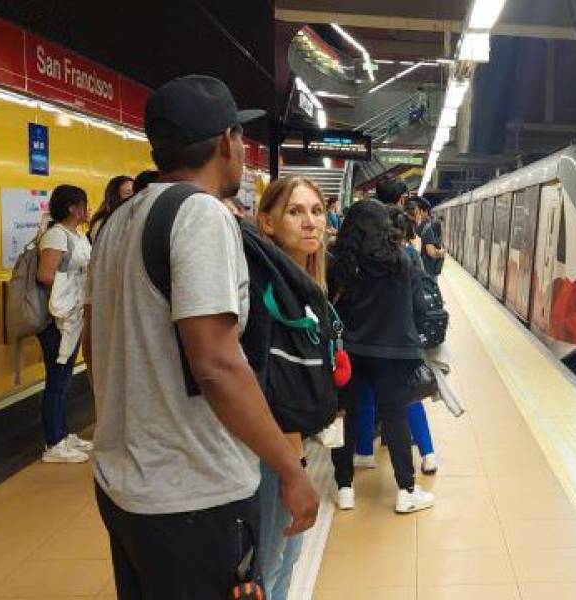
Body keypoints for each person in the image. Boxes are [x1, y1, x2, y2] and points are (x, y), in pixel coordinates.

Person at [85, 75, 318, 597]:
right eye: (241, 137)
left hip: (127, 489)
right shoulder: (200, 215)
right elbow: (216, 362)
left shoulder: (119, 222)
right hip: (194, 495)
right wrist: (290, 469)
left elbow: (93, 347)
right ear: (225, 142)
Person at [249, 176, 337, 599]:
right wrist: (290, 468)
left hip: (292, 453)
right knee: (268, 563)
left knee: (287, 558)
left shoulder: (310, 290)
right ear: (267, 222)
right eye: (295, 211)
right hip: (271, 455)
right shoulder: (266, 294)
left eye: (317, 211)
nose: (310, 222)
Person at [329, 199, 435, 514]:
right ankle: (406, 491)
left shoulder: (340, 264)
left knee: (345, 417)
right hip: (393, 352)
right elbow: (419, 307)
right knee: (395, 417)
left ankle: (344, 489)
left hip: (350, 351)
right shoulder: (403, 261)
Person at [35, 184, 94, 463]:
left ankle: (63, 433)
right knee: (57, 381)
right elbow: (46, 274)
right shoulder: (56, 236)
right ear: (72, 207)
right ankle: (53, 442)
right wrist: (74, 284)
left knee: (64, 378)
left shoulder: (77, 235)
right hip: (57, 319)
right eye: (84, 203)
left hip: (73, 316)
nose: (87, 208)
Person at [88, 175, 134, 242]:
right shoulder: (102, 224)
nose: (134, 197)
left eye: (136, 193)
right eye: (128, 193)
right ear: (115, 198)